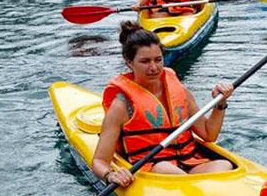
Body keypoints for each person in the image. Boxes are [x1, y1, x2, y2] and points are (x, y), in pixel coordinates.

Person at [91, 22, 234, 185]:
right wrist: (111, 175)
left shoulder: (180, 92)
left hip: (189, 164)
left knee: (224, 165)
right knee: (167, 168)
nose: (154, 67)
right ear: (129, 62)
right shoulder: (122, 106)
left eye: (158, 60)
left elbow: (209, 134)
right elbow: (99, 161)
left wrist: (220, 103)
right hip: (154, 171)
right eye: (145, 61)